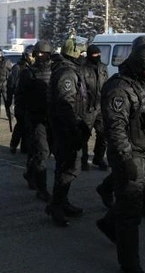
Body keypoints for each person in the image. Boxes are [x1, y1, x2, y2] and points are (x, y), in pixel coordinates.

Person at [96, 42, 145, 273]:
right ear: (139, 66)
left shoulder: (144, 81)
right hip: (129, 153)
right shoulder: (119, 89)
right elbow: (115, 130)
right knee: (130, 213)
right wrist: (126, 160)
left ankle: (108, 223)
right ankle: (129, 264)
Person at [46, 38, 88, 227]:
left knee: (66, 167)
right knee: (69, 167)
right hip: (65, 128)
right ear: (74, 54)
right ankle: (56, 206)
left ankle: (61, 202)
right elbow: (65, 105)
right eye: (82, 53)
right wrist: (74, 130)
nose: (84, 57)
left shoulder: (70, 70)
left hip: (69, 126)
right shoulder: (67, 73)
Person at [16, 40, 53, 202]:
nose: (40, 56)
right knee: (42, 152)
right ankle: (42, 189)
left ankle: (30, 173)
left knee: (42, 151)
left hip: (50, 117)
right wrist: (23, 117)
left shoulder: (55, 71)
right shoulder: (28, 73)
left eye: (44, 54)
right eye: (38, 53)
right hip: (35, 117)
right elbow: (20, 97)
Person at [80, 44, 109, 171]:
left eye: (99, 54)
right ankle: (83, 159)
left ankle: (98, 157)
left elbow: (106, 84)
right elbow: (81, 89)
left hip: (101, 106)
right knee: (84, 135)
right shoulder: (83, 69)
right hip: (87, 107)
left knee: (103, 134)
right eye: (95, 54)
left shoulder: (103, 67)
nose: (97, 56)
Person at [7, 44, 34, 154]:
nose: (32, 58)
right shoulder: (18, 68)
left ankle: (25, 147)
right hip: (20, 100)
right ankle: (13, 145)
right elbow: (11, 85)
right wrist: (9, 100)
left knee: (28, 126)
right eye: (30, 55)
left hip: (29, 101)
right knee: (21, 125)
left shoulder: (33, 68)